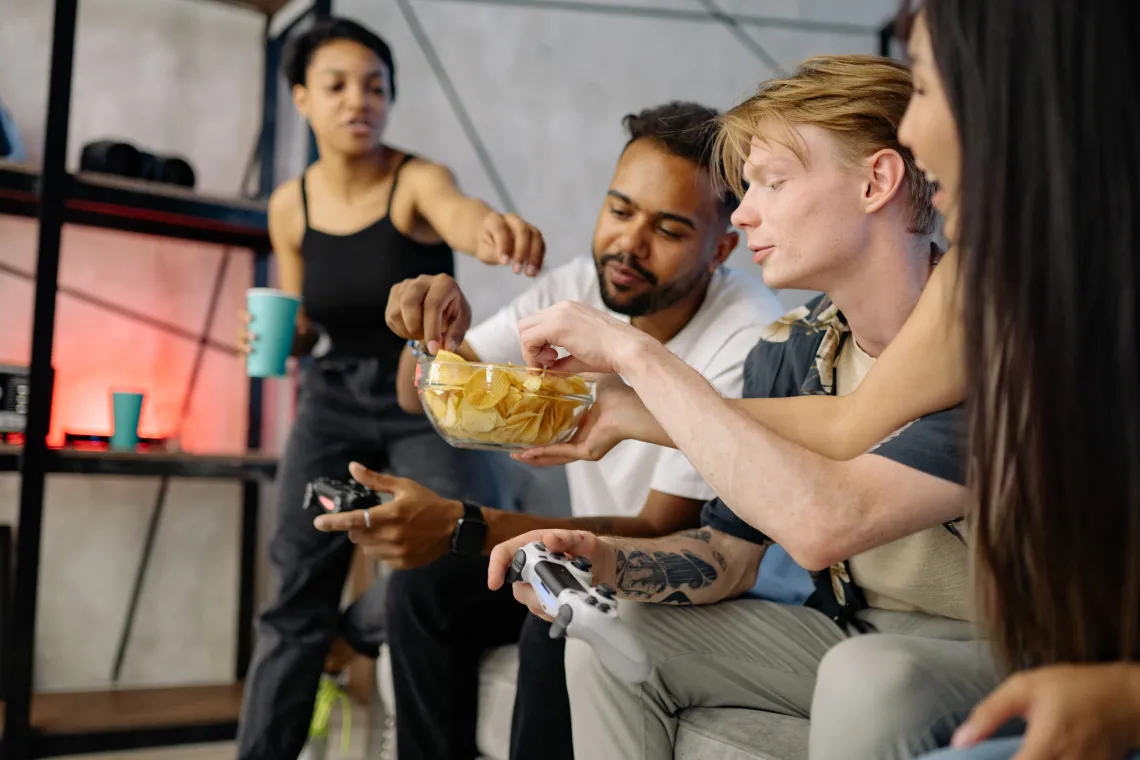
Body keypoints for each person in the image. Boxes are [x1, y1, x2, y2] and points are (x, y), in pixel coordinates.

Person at [491, 55, 998, 760]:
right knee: (611, 637)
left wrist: (635, 359)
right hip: (854, 629)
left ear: (877, 181)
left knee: (868, 675)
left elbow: (827, 520)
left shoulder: (987, 332)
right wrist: (605, 559)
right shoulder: (792, 349)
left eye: (773, 182)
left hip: (1017, 648)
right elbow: (729, 554)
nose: (745, 211)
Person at [312, 101, 785, 760]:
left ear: (722, 247)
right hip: (584, 555)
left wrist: (463, 524)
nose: (629, 245)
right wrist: (429, 333)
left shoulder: (749, 336)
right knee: (422, 594)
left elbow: (664, 531)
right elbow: (418, 392)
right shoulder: (577, 289)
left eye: (669, 229)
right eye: (620, 211)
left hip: (696, 575)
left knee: (557, 619)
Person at [235, 17, 546, 760]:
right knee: (295, 592)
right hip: (332, 396)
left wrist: (493, 232)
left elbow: (460, 217)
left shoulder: (416, 179)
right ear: (303, 99)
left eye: (375, 86)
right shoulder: (291, 205)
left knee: (463, 544)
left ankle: (356, 633)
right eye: (337, 86)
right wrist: (284, 338)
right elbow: (306, 319)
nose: (359, 101)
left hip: (423, 392)